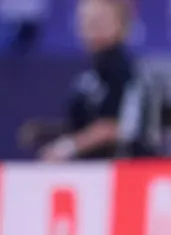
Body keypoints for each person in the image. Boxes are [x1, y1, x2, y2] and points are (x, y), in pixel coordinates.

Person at [19, 0, 159, 161]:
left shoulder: (123, 70)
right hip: (91, 166)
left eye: (98, 21)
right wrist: (47, 131)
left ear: (121, 25)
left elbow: (114, 126)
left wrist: (67, 147)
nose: (90, 28)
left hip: (127, 166)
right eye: (85, 20)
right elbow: (83, 125)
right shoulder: (90, 73)